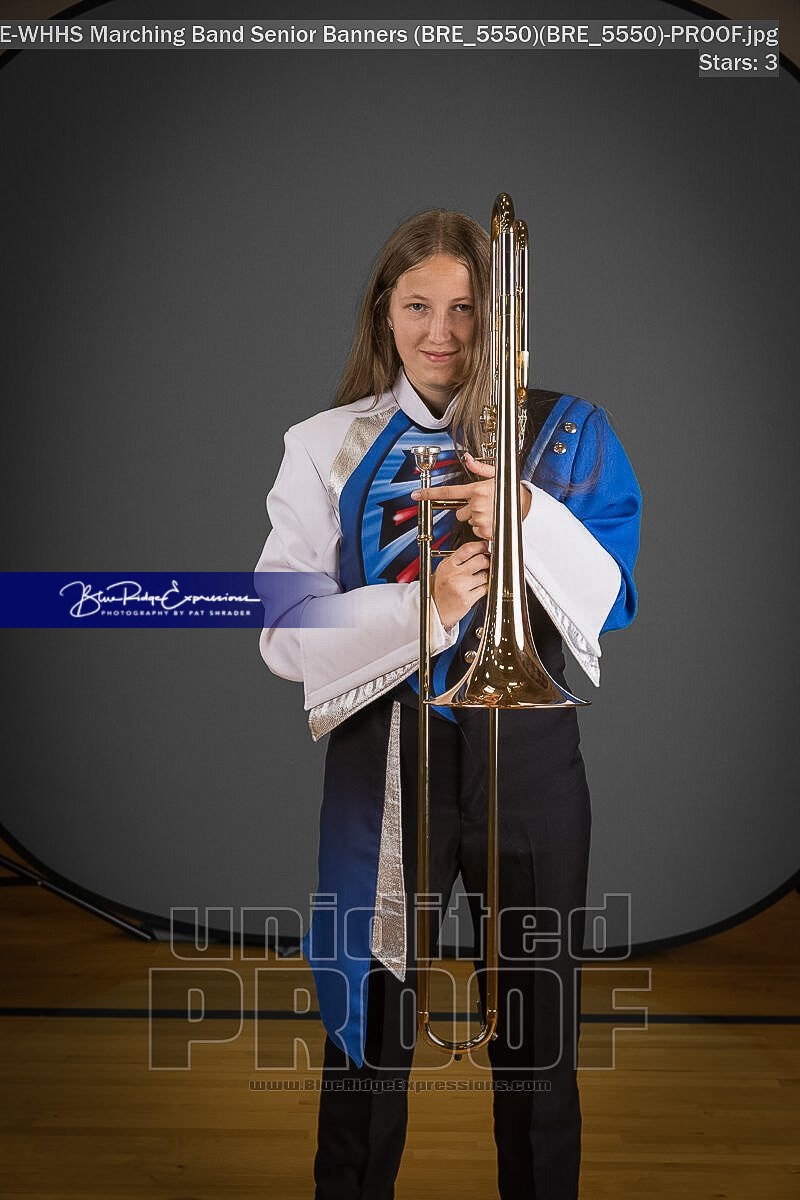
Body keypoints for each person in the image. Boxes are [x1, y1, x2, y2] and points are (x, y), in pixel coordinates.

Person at [254, 207, 641, 1200]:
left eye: (466, 309)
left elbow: (609, 600)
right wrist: (422, 609)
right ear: (383, 313)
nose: (440, 333)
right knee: (368, 1028)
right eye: (417, 306)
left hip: (531, 764)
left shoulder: (568, 433)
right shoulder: (323, 447)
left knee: (539, 1034)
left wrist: (525, 513)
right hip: (386, 761)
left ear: (498, 321)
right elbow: (282, 633)